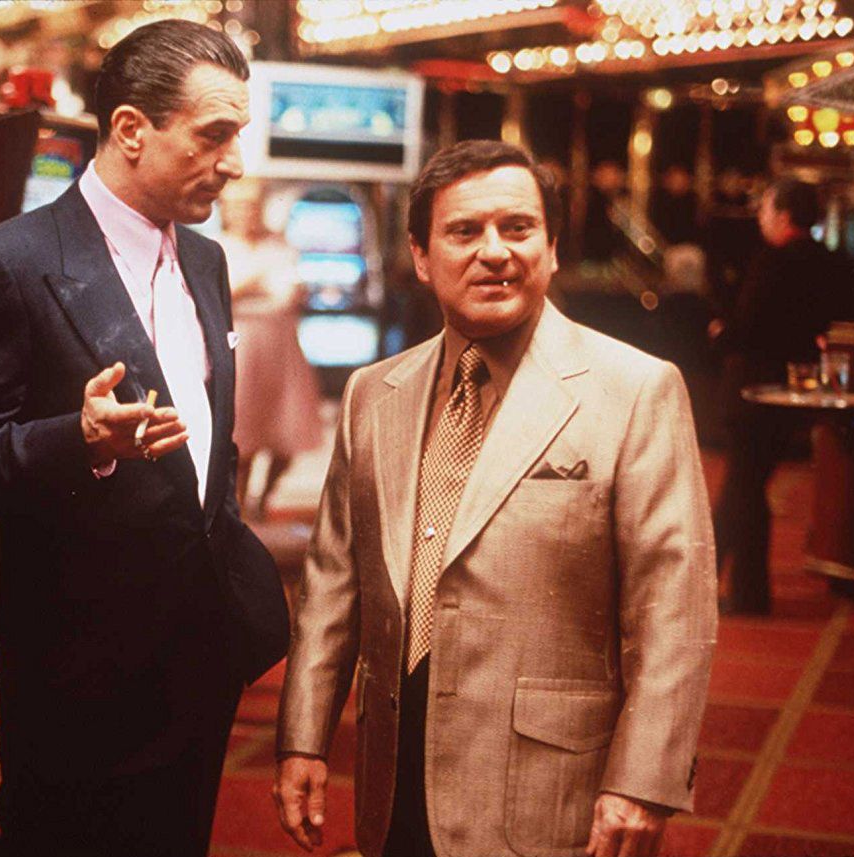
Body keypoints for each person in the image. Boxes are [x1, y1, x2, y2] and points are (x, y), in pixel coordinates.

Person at [0, 20, 288, 856]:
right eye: (213, 135)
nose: (234, 162)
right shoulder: (4, 264)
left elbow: (207, 455)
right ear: (130, 129)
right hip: (81, 681)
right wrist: (76, 440)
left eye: (238, 135)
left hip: (203, 661)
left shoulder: (207, 261)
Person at [273, 140, 717, 857]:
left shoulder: (635, 389)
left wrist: (644, 780)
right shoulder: (373, 393)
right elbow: (332, 585)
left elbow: (674, 606)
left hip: (548, 790)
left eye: (517, 228)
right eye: (464, 231)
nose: (494, 252)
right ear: (421, 257)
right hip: (393, 775)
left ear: (551, 249)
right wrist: (303, 738)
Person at [710, 178, 854, 614]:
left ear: (782, 215)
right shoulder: (830, 262)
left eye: (764, 210)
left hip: (752, 391)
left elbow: (746, 327)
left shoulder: (772, 261)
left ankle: (736, 593)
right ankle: (729, 588)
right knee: (746, 488)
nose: (760, 218)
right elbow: (852, 314)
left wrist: (721, 333)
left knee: (743, 489)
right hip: (795, 390)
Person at [220, 183, 322, 517]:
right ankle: (238, 507)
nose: (245, 213)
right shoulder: (218, 248)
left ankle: (262, 500)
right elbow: (221, 298)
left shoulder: (280, 246)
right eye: (237, 205)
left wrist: (246, 291)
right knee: (241, 437)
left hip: (280, 348)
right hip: (239, 347)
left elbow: (286, 297)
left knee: (287, 435)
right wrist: (252, 286)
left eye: (251, 205)